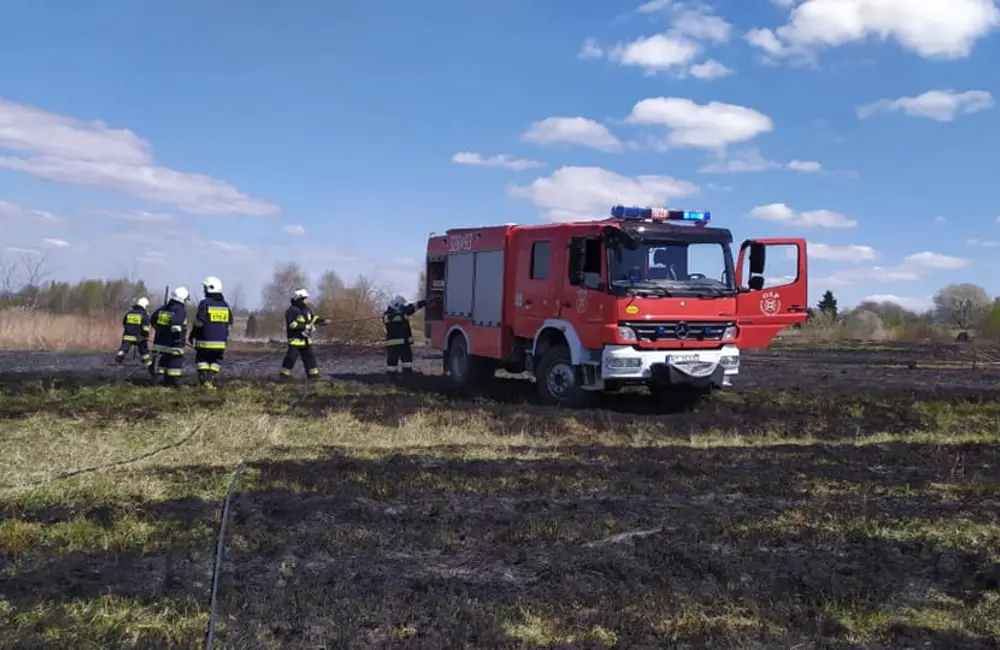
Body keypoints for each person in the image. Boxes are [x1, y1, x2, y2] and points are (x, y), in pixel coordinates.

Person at [188, 276, 232, 390]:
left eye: (204, 288)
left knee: (201, 361)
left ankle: (205, 381)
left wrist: (192, 335)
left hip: (204, 342)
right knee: (216, 361)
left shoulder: (204, 304)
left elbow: (199, 323)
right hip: (220, 343)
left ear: (209, 288)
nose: (204, 291)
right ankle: (210, 378)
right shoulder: (225, 305)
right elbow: (229, 323)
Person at [279, 288, 329, 380]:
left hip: (306, 340)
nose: (307, 300)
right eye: (305, 298)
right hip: (295, 341)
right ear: (300, 299)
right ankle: (283, 376)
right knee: (291, 359)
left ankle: (314, 376)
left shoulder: (306, 309)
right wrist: (305, 326)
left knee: (310, 358)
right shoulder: (291, 311)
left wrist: (322, 321)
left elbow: (312, 318)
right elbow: (292, 325)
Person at [151, 286, 190, 386]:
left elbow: (153, 319)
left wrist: (159, 329)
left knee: (163, 361)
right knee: (175, 362)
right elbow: (176, 323)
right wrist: (177, 336)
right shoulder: (180, 309)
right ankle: (175, 382)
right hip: (174, 344)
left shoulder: (163, 308)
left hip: (159, 342)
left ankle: (160, 378)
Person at [383, 294, 427, 379]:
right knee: (392, 363)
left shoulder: (403, 311)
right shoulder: (388, 315)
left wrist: (424, 302)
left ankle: (407, 377)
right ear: (397, 304)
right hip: (395, 345)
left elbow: (413, 307)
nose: (403, 306)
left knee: (407, 361)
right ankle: (391, 378)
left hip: (404, 343)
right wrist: (402, 315)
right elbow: (392, 319)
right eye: (401, 304)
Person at [115, 297, 152, 370]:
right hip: (139, 337)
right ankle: (147, 364)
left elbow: (124, 323)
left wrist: (128, 330)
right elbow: (146, 328)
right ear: (144, 305)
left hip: (127, 336)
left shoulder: (129, 313)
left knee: (123, 349)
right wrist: (146, 336)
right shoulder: (144, 314)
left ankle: (118, 360)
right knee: (144, 350)